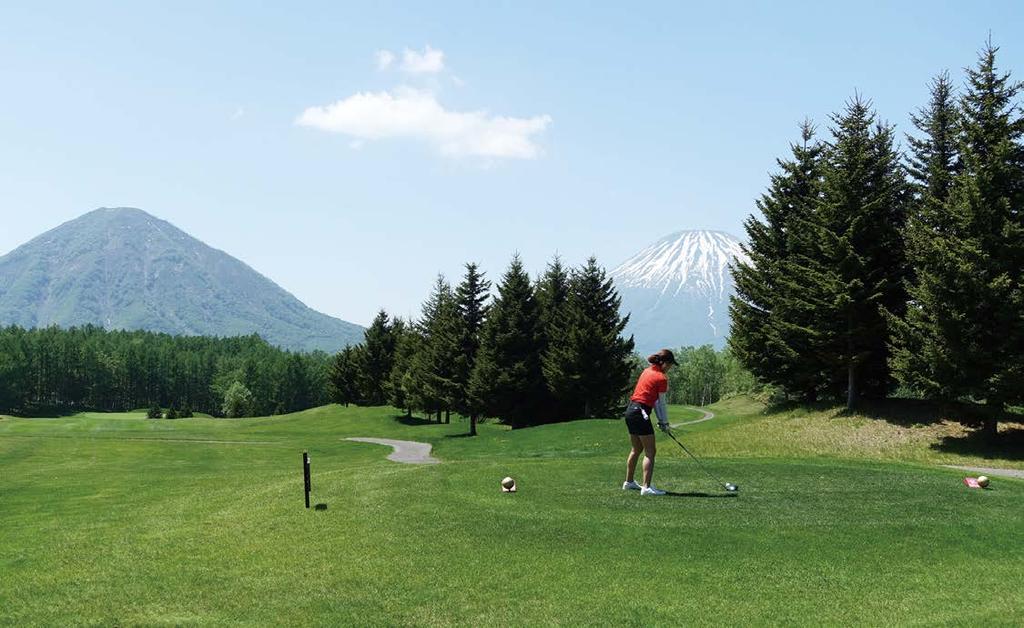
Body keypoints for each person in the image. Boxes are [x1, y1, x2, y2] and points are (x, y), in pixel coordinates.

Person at [622, 349, 676, 496]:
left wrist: (661, 421)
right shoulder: (661, 378)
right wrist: (664, 423)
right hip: (641, 413)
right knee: (650, 452)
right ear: (664, 363)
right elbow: (661, 404)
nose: (670, 368)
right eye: (670, 365)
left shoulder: (646, 371)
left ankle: (629, 482)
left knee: (636, 449)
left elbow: (655, 402)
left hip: (630, 411)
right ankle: (646, 487)